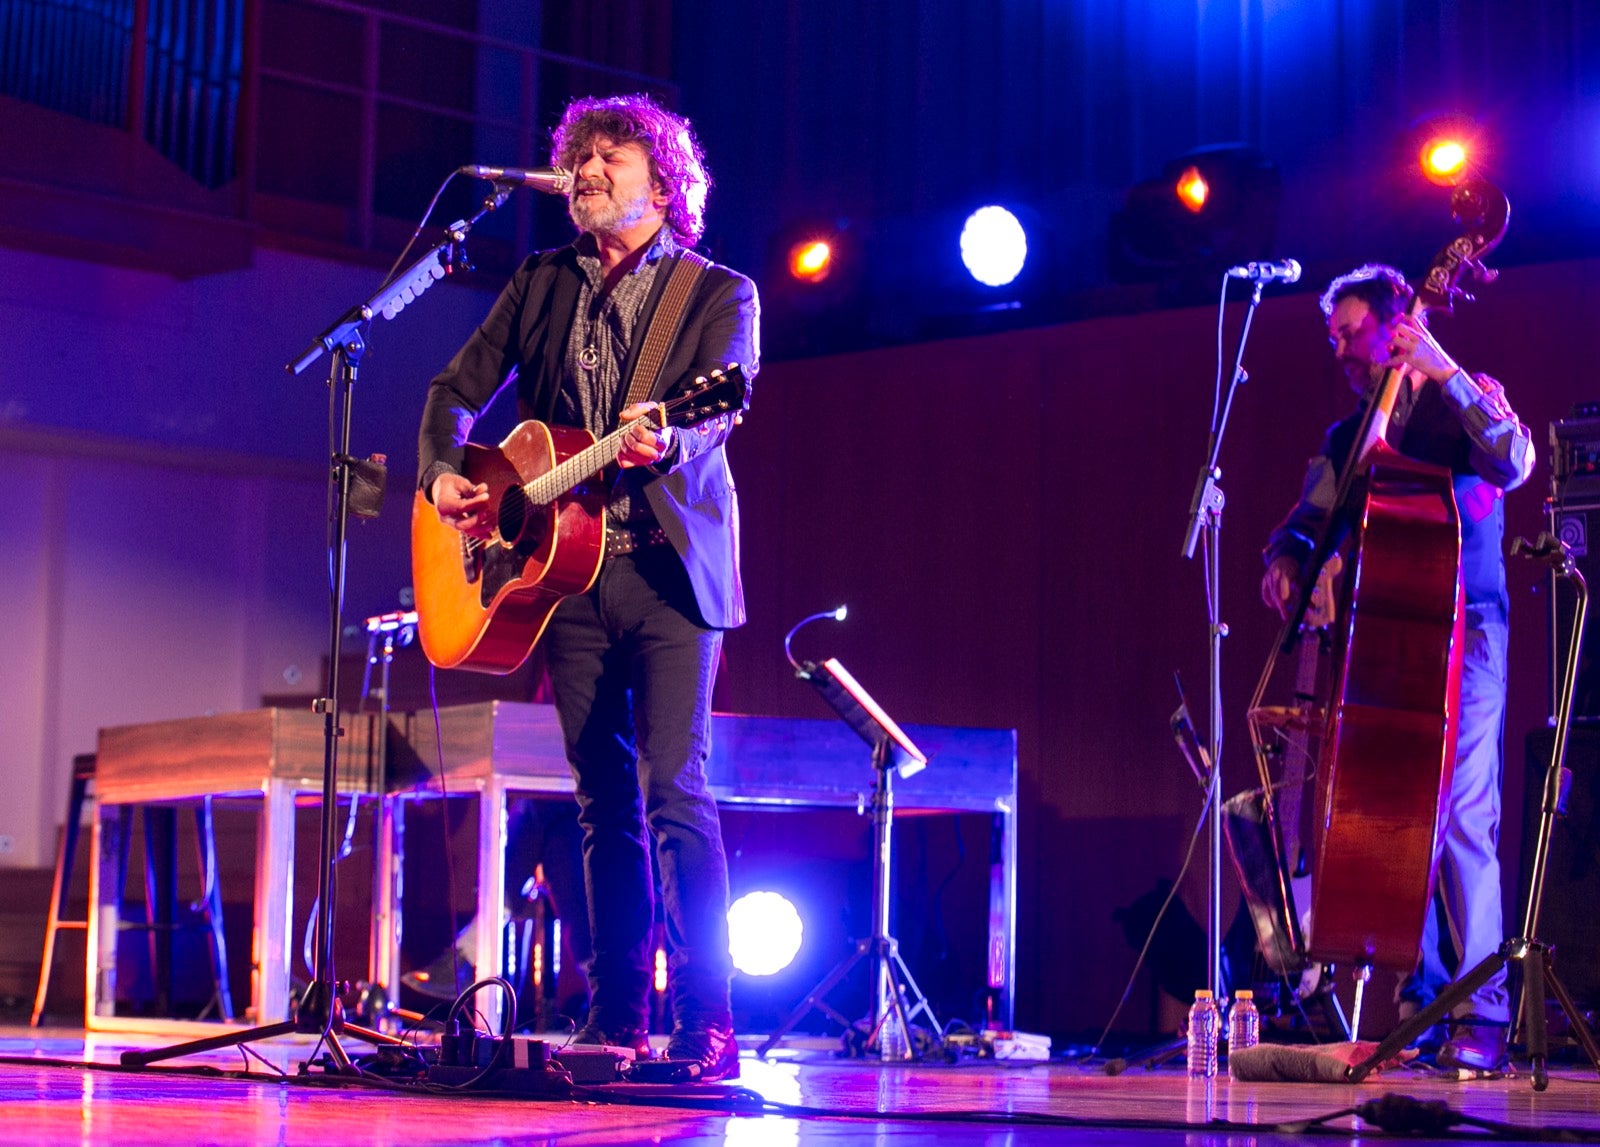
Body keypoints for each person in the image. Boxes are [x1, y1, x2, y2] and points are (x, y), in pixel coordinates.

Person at [416, 92, 757, 1082]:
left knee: (675, 789)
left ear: (663, 179)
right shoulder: (539, 281)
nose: (587, 172)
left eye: (610, 158)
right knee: (599, 799)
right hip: (563, 578)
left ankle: (707, 1023)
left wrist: (671, 435)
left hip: (665, 570)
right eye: (579, 158)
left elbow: (717, 408)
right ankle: (616, 1015)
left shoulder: (715, 292)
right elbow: (453, 390)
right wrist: (446, 473)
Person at [1260, 264, 1535, 1070]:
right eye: (1333, 336)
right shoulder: (1349, 438)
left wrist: (1444, 367)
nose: (1341, 349)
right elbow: (1309, 517)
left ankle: (1480, 1007)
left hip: (1469, 627)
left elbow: (1513, 461)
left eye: (1351, 332)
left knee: (1460, 813)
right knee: (1392, 816)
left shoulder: (1462, 397)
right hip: (1385, 633)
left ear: (1395, 325)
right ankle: (1420, 997)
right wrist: (1286, 559)